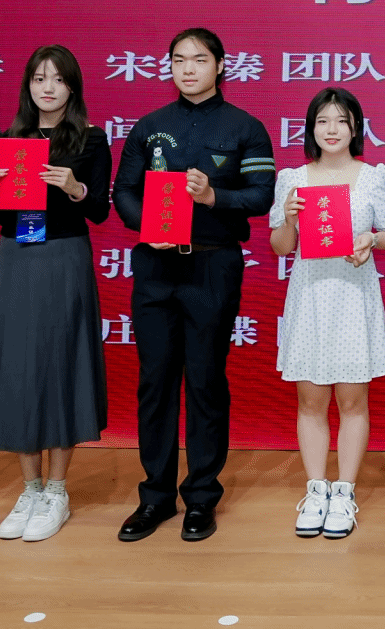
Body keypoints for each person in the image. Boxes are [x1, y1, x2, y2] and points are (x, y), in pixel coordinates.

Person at [112, 28, 276, 543]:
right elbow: (124, 191)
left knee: (205, 380)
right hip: (156, 269)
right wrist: (146, 227)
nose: (188, 69)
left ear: (221, 65)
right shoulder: (150, 127)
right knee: (155, 381)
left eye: (199, 60)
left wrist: (212, 198)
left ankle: (201, 496)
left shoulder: (245, 127)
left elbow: (261, 196)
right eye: (179, 60)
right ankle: (155, 496)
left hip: (212, 266)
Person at [0, 46, 111, 542]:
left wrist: (74, 187)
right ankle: (29, 489)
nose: (47, 88)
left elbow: (98, 211)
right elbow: (2, 213)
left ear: (73, 87)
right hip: (15, 257)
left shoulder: (91, 139)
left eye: (58, 79)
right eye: (38, 79)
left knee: (61, 364)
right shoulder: (10, 140)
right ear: (27, 86)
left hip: (63, 256)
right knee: (18, 366)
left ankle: (57, 490)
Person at [267, 86, 385, 540]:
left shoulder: (373, 176)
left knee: (353, 401)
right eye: (323, 120)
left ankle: (344, 492)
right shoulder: (292, 179)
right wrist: (289, 218)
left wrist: (370, 241)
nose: (332, 129)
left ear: (355, 128)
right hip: (309, 298)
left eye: (342, 121)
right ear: (310, 129)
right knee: (310, 401)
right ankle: (316, 489)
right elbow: (281, 246)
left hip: (353, 298)